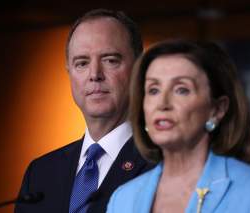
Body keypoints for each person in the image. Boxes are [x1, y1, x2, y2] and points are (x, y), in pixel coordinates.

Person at [107, 40, 250, 213]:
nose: (162, 104)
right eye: (153, 90)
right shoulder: (122, 199)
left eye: (181, 90)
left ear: (217, 109)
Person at [15, 9, 153, 213]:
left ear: (139, 68)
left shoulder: (163, 163)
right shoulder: (41, 173)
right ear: (69, 72)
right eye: (82, 63)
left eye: (110, 60)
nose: (95, 74)